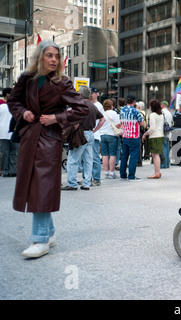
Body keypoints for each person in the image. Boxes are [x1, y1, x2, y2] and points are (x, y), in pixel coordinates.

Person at [7, 40, 89, 258]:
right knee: (36, 185)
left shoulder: (62, 82)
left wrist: (57, 117)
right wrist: (22, 112)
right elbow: (12, 101)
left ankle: (40, 239)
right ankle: (49, 234)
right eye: (49, 55)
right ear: (40, 57)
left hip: (49, 140)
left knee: (41, 186)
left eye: (57, 56)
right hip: (29, 137)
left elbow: (82, 108)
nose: (54, 59)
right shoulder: (26, 79)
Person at [62, 86, 105, 191]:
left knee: (73, 159)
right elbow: (102, 119)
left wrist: (74, 128)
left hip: (80, 133)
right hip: (90, 133)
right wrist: (94, 130)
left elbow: (75, 122)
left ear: (80, 94)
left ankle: (72, 183)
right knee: (88, 159)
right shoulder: (93, 106)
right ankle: (86, 183)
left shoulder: (79, 105)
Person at [120, 94, 145, 181]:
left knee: (124, 156)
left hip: (125, 136)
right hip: (134, 136)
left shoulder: (122, 110)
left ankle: (123, 174)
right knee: (133, 156)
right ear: (134, 102)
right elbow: (142, 123)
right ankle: (131, 176)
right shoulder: (136, 111)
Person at [100, 98, 122, 179]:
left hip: (102, 135)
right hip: (112, 135)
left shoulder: (101, 113)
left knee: (104, 154)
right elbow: (117, 125)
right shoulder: (113, 113)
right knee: (113, 154)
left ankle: (106, 172)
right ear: (111, 106)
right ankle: (112, 173)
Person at [142, 99, 164, 179]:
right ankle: (158, 172)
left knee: (155, 155)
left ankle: (157, 172)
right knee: (156, 155)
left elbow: (152, 128)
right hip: (160, 135)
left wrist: (145, 134)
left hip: (154, 136)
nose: (149, 107)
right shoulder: (161, 115)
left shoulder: (152, 115)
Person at [0, 88, 19, 177]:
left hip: (2, 133)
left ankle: (5, 171)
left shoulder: (1, 107)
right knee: (14, 152)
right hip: (13, 133)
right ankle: (13, 170)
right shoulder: (16, 107)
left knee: (5, 153)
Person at [160, 100, 173, 169]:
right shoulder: (169, 113)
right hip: (168, 132)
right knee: (167, 149)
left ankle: (163, 164)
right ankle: (167, 163)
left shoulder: (162, 112)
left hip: (163, 132)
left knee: (163, 149)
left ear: (163, 105)